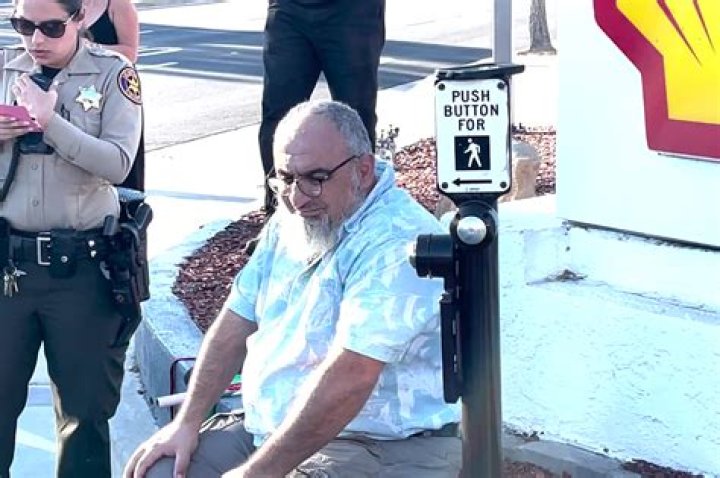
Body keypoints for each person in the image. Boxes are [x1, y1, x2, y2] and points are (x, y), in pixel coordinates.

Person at [124, 100, 461, 478]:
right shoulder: (294, 217)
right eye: (285, 178)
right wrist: (186, 423)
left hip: (374, 441)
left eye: (316, 178)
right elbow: (236, 320)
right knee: (159, 470)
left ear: (363, 170)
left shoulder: (399, 240)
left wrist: (257, 473)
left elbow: (353, 375)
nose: (297, 199)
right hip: (270, 426)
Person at [0, 0, 142, 475]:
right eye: (23, 25)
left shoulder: (113, 73)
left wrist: (51, 123)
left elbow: (118, 163)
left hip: (81, 270)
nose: (35, 39)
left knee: (84, 419)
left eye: (51, 27)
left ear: (80, 18)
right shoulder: (4, 67)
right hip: (8, 267)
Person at [258, 0, 386, 213]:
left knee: (355, 117)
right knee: (278, 117)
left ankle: (358, 213)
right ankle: (279, 215)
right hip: (289, 8)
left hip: (351, 10)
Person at [83, 0, 146, 192]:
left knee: (118, 150)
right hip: (78, 88)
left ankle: (126, 205)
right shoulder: (65, 4)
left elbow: (130, 53)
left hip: (115, 90)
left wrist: (89, 48)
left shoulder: (118, 4)